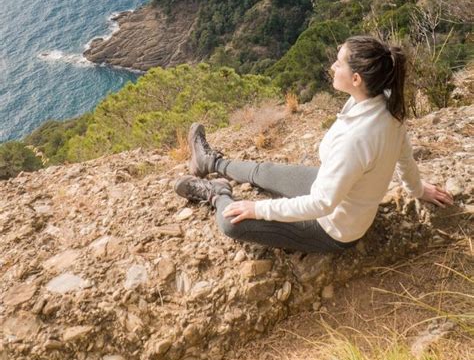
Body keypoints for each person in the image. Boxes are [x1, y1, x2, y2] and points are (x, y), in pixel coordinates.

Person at [174, 36, 454, 254]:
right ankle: (210, 162)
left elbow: (322, 203)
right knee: (264, 172)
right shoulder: (384, 103)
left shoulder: (357, 139)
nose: (332, 66)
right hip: (336, 190)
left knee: (230, 222)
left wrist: (257, 209)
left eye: (339, 63)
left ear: (356, 79)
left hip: (331, 228)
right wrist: (417, 190)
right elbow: (404, 156)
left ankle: (216, 192)